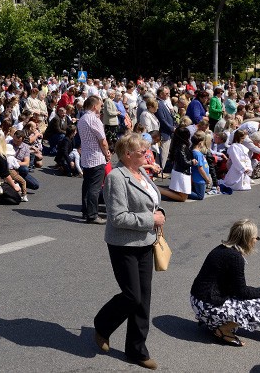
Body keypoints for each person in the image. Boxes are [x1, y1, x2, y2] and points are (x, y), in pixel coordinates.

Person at [93, 133, 165, 371]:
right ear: (127, 155)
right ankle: (102, 324)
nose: (146, 154)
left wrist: (159, 212)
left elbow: (152, 201)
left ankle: (136, 350)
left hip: (146, 241)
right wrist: (150, 218)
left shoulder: (141, 172)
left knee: (143, 299)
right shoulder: (116, 177)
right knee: (132, 296)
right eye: (141, 151)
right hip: (123, 244)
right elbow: (117, 217)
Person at [190, 219, 260, 347]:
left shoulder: (221, 248)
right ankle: (223, 330)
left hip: (197, 300)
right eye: (256, 238)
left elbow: (232, 287)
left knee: (255, 296)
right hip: (206, 305)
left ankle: (214, 322)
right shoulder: (235, 257)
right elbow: (242, 291)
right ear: (248, 239)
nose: (256, 241)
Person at [78, 95, 111, 224]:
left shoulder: (82, 119)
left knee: (86, 185)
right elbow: (102, 140)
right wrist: (107, 153)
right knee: (95, 188)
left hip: (86, 156)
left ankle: (86, 211)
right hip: (96, 157)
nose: (101, 108)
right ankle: (92, 215)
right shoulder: (94, 119)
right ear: (94, 106)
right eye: (100, 105)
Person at [159, 126, 197, 202]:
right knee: (183, 198)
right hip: (182, 172)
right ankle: (158, 189)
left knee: (179, 194)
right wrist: (192, 162)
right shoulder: (182, 146)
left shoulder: (178, 144)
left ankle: (160, 190)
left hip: (179, 171)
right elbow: (184, 162)